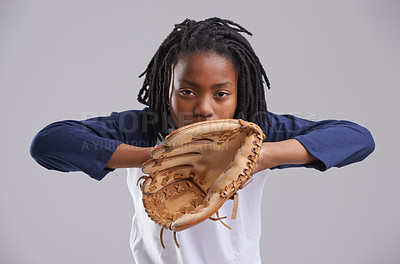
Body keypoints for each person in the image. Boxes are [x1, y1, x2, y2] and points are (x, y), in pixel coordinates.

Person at [30, 17, 375, 264]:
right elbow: (48, 143)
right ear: (167, 88)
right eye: (187, 91)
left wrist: (262, 156)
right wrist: (159, 156)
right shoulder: (144, 126)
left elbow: (357, 138)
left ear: (240, 95)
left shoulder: (254, 132)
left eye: (221, 93)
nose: (204, 108)